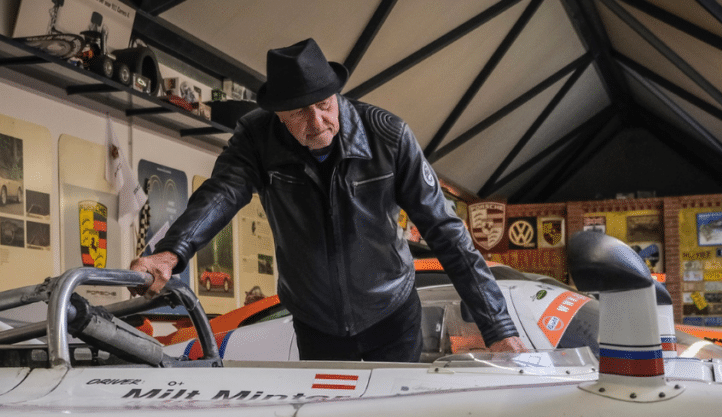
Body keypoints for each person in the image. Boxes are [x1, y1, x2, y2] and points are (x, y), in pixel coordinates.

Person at [131, 38, 525, 361]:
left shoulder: (388, 137)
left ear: (336, 95)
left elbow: (447, 232)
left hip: (392, 314)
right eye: (300, 113)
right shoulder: (257, 137)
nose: (318, 122)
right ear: (278, 115)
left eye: (324, 105)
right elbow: (223, 192)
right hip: (316, 324)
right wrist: (172, 252)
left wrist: (499, 329)